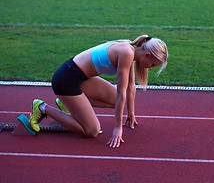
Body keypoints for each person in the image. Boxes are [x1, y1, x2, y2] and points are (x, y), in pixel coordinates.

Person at [29, 35, 168, 147]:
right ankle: (42, 108)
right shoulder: (126, 53)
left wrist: (131, 114)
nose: (150, 68)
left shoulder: (131, 50)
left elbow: (131, 85)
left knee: (114, 100)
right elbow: (121, 91)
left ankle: (67, 104)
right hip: (66, 80)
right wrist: (117, 127)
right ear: (147, 55)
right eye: (153, 65)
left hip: (80, 78)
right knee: (91, 131)